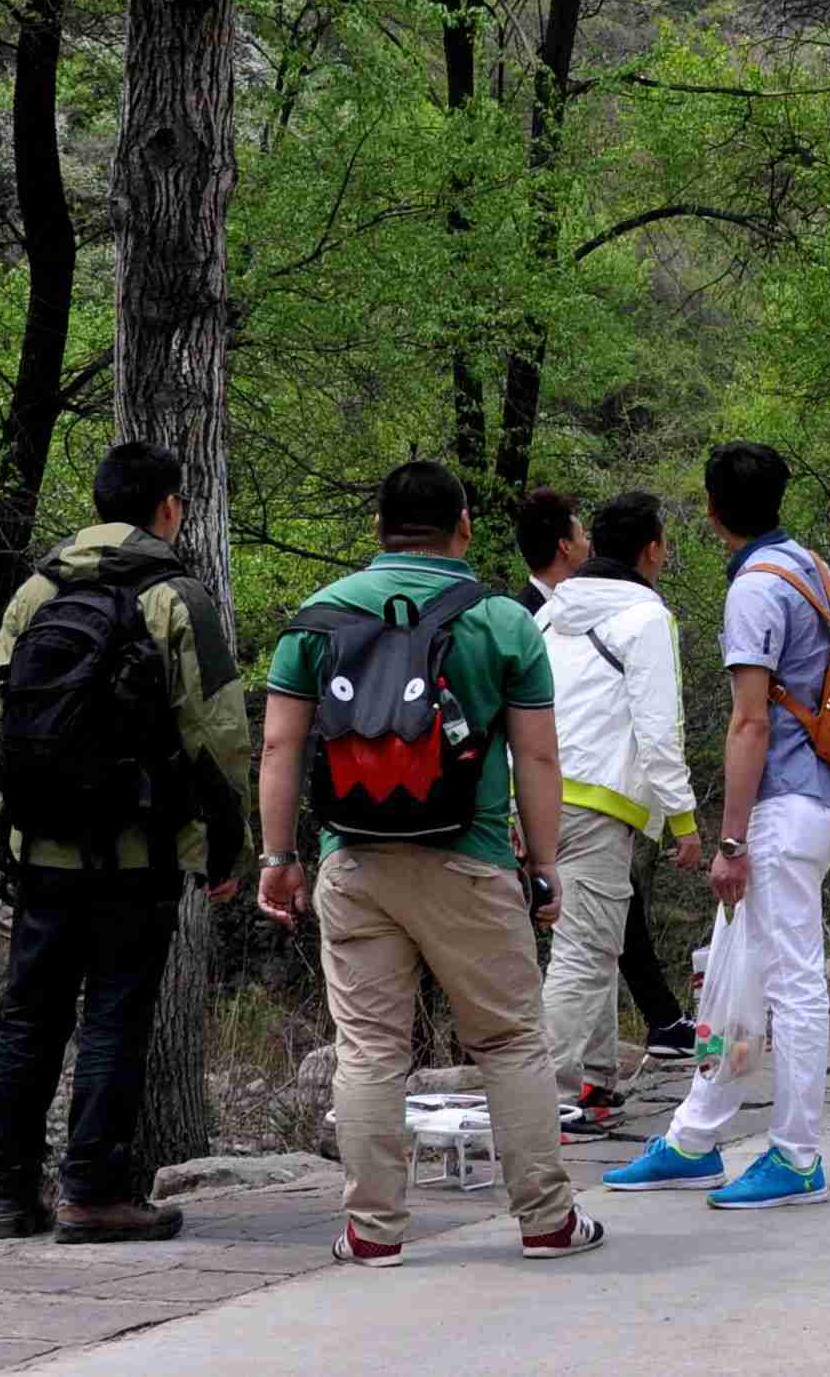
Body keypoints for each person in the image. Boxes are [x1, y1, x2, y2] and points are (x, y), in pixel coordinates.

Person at [256, 459, 602, 1266]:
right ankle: (546, 1221)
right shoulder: (503, 622)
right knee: (512, 1042)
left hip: (356, 861)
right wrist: (543, 865)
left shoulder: (316, 619)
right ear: (466, 526)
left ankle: (372, 1233)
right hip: (470, 861)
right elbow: (539, 758)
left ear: (378, 529)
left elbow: (279, 743)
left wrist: (280, 856)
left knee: (370, 1050)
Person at [0, 441, 247, 1244]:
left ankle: (5, 1195)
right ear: (167, 509)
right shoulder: (176, 597)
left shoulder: (34, 592)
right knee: (115, 1018)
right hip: (138, 852)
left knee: (29, 1020)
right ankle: (92, 1192)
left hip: (42, 850)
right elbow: (220, 734)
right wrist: (224, 843)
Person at [606, 442, 830, 1213]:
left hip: (782, 807)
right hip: (823, 795)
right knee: (737, 971)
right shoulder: (810, 565)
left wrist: (731, 840)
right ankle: (694, 1139)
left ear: (712, 513)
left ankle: (796, 1155)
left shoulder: (753, 590)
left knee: (794, 984)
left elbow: (749, 724)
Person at [538, 492, 704, 1136]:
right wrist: (684, 820)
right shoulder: (645, 618)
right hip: (600, 803)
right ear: (652, 550)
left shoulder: (550, 617)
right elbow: (661, 729)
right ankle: (547, 1096)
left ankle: (597, 1084)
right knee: (582, 952)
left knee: (591, 943)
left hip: (541, 797)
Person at [514, 489, 591, 612]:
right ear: (565, 546)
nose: (589, 544)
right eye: (583, 536)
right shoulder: (522, 618)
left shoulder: (579, 603)